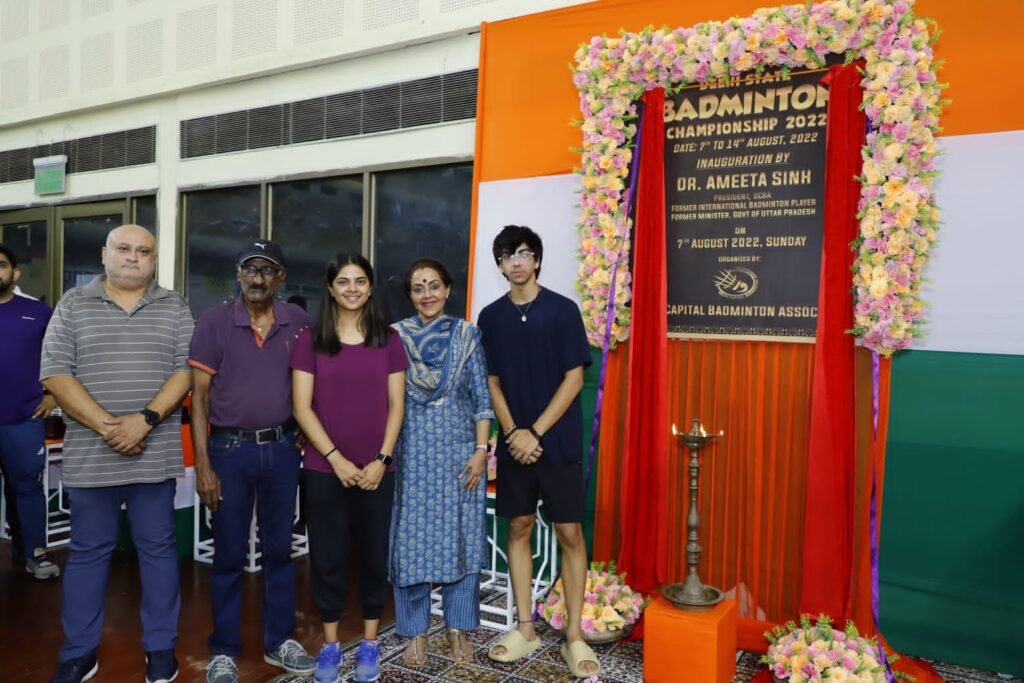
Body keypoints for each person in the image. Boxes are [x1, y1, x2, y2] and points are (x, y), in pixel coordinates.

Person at [40, 225, 194, 683]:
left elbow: (186, 370)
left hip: (154, 455)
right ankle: (79, 653)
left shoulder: (175, 306)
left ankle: (161, 649)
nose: (133, 257)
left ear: (154, 258)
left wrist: (143, 420)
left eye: (143, 251)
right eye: (124, 249)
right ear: (105, 254)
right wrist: (111, 427)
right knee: (87, 554)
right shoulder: (73, 305)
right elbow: (54, 373)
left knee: (159, 553)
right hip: (92, 457)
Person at [188, 240, 316, 683]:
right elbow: (199, 398)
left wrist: (305, 422)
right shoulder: (214, 322)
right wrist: (203, 466)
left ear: (281, 278)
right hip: (229, 452)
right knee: (228, 554)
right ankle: (224, 649)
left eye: (268, 270)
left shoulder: (298, 321)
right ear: (238, 274)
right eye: (250, 269)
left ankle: (280, 640)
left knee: (279, 550)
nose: (258, 278)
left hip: (282, 451)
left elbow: (310, 378)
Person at [477, 225, 600, 678]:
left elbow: (573, 379)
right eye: (508, 255)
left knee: (569, 531)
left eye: (525, 253)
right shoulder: (490, 317)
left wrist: (535, 432)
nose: (517, 262)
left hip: (558, 441)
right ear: (501, 265)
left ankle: (573, 636)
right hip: (515, 443)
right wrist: (513, 433)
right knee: (520, 526)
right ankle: (526, 628)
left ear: (538, 260)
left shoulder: (563, 310)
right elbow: (491, 381)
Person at [291, 253, 408, 683]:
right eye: (344, 281)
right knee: (327, 559)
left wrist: (382, 459)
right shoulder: (311, 340)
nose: (353, 288)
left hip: (379, 472)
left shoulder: (389, 340)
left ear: (371, 287)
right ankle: (330, 646)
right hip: (324, 470)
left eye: (361, 281)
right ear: (331, 287)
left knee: (375, 559)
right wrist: (336, 458)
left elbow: (398, 406)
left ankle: (371, 645)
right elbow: (301, 408)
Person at [389, 258, 494, 667]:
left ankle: (458, 631)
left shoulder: (467, 336)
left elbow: (482, 399)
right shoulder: (394, 338)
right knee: (410, 548)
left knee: (461, 545)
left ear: (448, 289)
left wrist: (481, 451)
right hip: (413, 456)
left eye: (434, 285)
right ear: (411, 295)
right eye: (419, 287)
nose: (427, 294)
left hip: (459, 457)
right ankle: (414, 634)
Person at [0, 243, 60, 579]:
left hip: (23, 420)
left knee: (27, 489)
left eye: (1, 264)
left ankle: (36, 553)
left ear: (15, 273)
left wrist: (52, 394)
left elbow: (59, 356)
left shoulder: (38, 312)